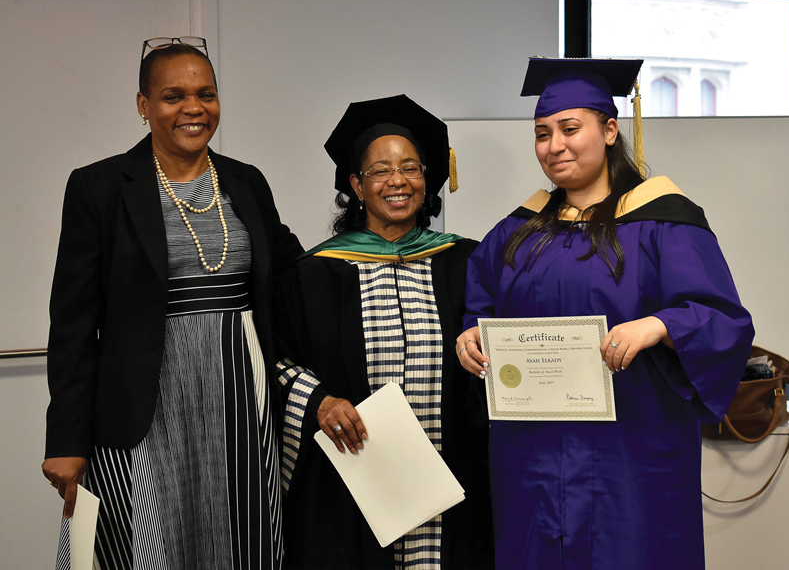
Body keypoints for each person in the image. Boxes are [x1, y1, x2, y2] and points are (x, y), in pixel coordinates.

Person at [455, 58, 754, 570]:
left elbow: (722, 317)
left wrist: (659, 325)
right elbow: (480, 303)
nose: (555, 146)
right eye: (543, 133)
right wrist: (469, 336)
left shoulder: (664, 222)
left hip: (632, 457)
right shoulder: (518, 231)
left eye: (570, 129)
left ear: (610, 129)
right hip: (534, 460)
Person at [42, 36, 303, 570]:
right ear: (143, 106)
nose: (193, 108)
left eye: (206, 93)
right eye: (173, 95)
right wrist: (66, 437)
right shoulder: (99, 187)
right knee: (148, 546)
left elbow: (294, 275)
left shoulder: (246, 182)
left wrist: (370, 249)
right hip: (144, 405)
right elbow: (72, 323)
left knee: (244, 539)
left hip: (240, 400)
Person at [275, 94, 494, 569]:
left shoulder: (468, 263)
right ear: (356, 184)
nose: (397, 180)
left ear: (427, 180)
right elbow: (277, 361)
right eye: (379, 170)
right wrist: (321, 401)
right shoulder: (312, 275)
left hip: (452, 476)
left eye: (411, 168)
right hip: (353, 481)